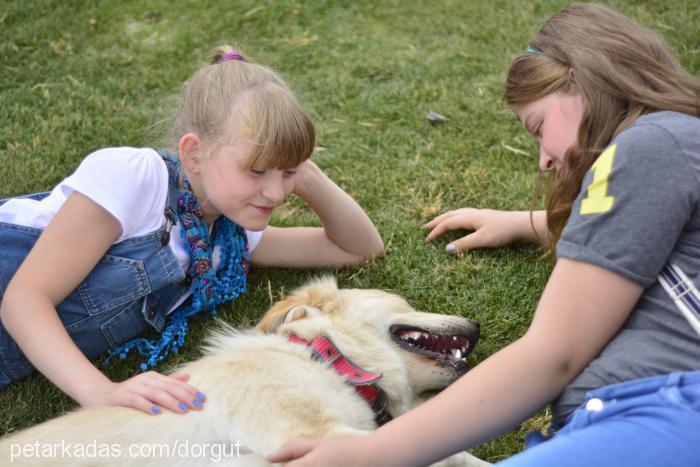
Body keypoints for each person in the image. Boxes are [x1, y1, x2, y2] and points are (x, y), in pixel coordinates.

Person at [268, 3, 700, 466]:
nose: (544, 162)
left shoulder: (649, 146)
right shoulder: (669, 150)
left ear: (581, 79)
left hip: (658, 414)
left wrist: (370, 454)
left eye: (537, 128)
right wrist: (529, 223)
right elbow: (638, 237)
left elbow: (553, 354)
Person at [0, 46, 383, 418]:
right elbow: (25, 298)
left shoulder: (229, 239)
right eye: (257, 170)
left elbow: (357, 249)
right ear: (194, 154)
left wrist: (306, 174)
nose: (277, 192)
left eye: (288, 173)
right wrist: (101, 391)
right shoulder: (136, 179)